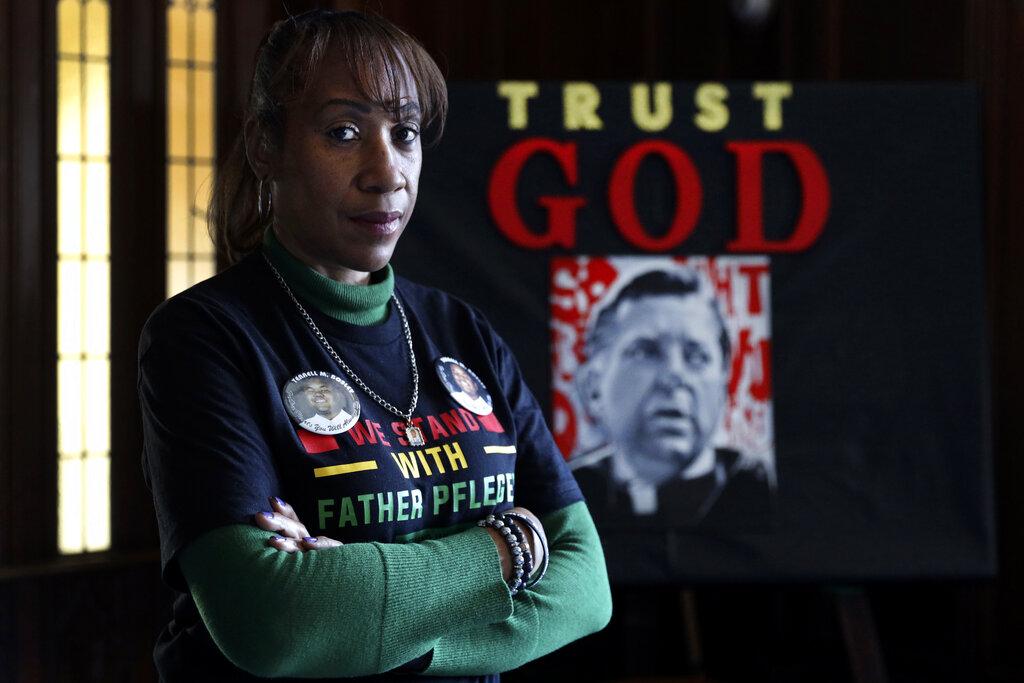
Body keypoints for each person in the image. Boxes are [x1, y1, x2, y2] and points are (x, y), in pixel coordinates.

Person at [138, 10, 610, 682]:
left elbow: (588, 587)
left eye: (405, 133)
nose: (386, 171)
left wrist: (391, 634)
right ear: (266, 145)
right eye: (343, 132)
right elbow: (273, 622)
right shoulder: (203, 337)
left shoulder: (462, 331)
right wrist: (512, 545)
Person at [570, 267, 772, 527]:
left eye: (697, 356)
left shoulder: (760, 489)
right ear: (593, 386)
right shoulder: (564, 494)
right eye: (645, 352)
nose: (674, 376)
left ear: (725, 384)